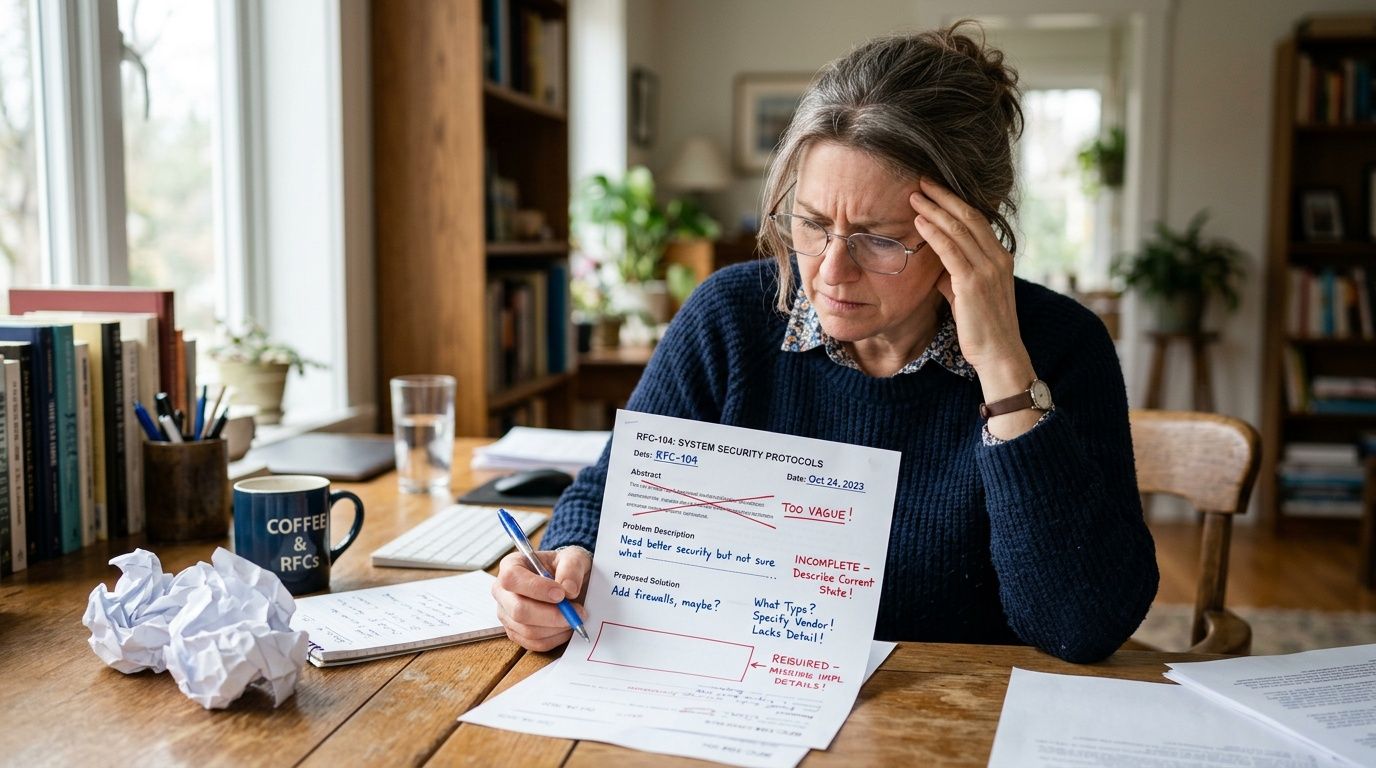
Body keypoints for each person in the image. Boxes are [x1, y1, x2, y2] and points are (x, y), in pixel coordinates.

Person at [491, 23, 1157, 663]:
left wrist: (1004, 370)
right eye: (810, 224)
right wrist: (564, 561)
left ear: (971, 233)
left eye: (879, 238)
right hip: (737, 702)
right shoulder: (729, 317)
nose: (830, 273)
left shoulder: (1063, 346)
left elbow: (1081, 626)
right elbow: (606, 496)